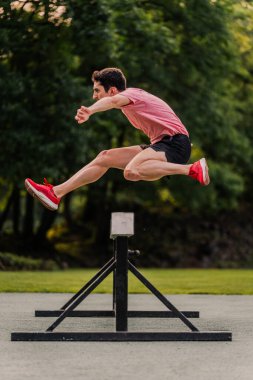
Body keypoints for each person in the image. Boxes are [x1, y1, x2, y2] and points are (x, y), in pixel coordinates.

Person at [25, 67, 210, 211]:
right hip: (166, 144)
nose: (94, 96)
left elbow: (112, 102)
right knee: (105, 157)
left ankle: (191, 170)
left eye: (97, 91)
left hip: (175, 144)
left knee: (131, 171)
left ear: (112, 90)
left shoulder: (130, 95)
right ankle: (56, 193)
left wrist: (90, 110)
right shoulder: (131, 101)